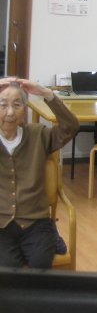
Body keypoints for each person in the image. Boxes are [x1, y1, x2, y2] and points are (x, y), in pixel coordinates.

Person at [0, 78, 79, 269]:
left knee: (41, 263)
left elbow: (70, 127)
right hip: (2, 224)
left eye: (17, 105)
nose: (10, 112)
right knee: (8, 268)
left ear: (24, 109)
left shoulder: (37, 134)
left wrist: (47, 94)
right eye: (3, 105)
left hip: (36, 222)